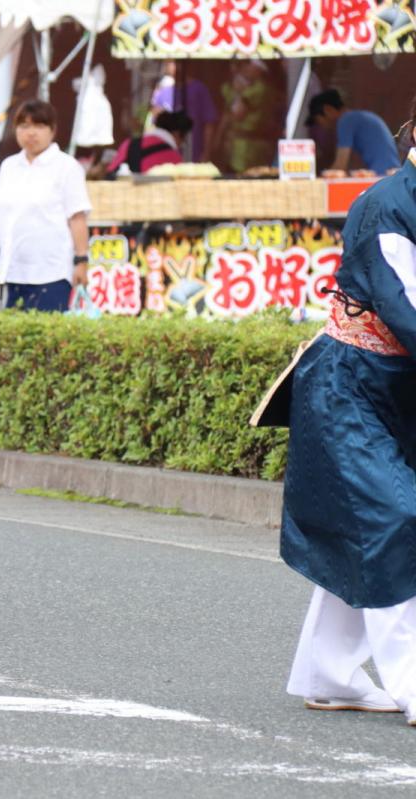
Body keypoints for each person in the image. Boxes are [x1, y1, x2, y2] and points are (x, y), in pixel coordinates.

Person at [274, 94, 416, 724]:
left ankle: (328, 674)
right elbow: (402, 303)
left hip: (392, 386)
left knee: (372, 524)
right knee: (396, 516)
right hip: (348, 384)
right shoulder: (387, 203)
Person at [0, 100, 91, 312]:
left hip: (51, 272)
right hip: (13, 272)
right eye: (24, 126)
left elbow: (77, 217)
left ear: (52, 131)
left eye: (39, 126)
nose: (31, 133)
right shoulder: (9, 167)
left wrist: (82, 260)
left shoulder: (66, 167)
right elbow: (3, 217)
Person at [307, 89, 401, 176]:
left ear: (328, 110)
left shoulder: (345, 121)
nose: (321, 126)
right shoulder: (354, 118)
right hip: (390, 172)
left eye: (318, 121)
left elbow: (340, 167)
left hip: (383, 174)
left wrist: (318, 182)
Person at [216, 59, 281, 174]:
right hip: (239, 145)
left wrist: (238, 93)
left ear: (259, 69)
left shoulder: (259, 88)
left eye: (248, 65)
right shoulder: (242, 86)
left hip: (248, 148)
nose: (244, 69)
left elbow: (237, 114)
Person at [149, 60, 218, 163]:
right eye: (167, 63)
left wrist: (206, 153)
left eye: (172, 62)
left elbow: (209, 124)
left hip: (194, 156)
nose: (168, 66)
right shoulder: (162, 92)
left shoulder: (199, 89)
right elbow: (155, 126)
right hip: (167, 158)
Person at [107, 111, 193, 175]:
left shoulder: (129, 143)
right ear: (176, 134)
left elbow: (111, 171)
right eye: (183, 141)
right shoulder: (173, 157)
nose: (181, 145)